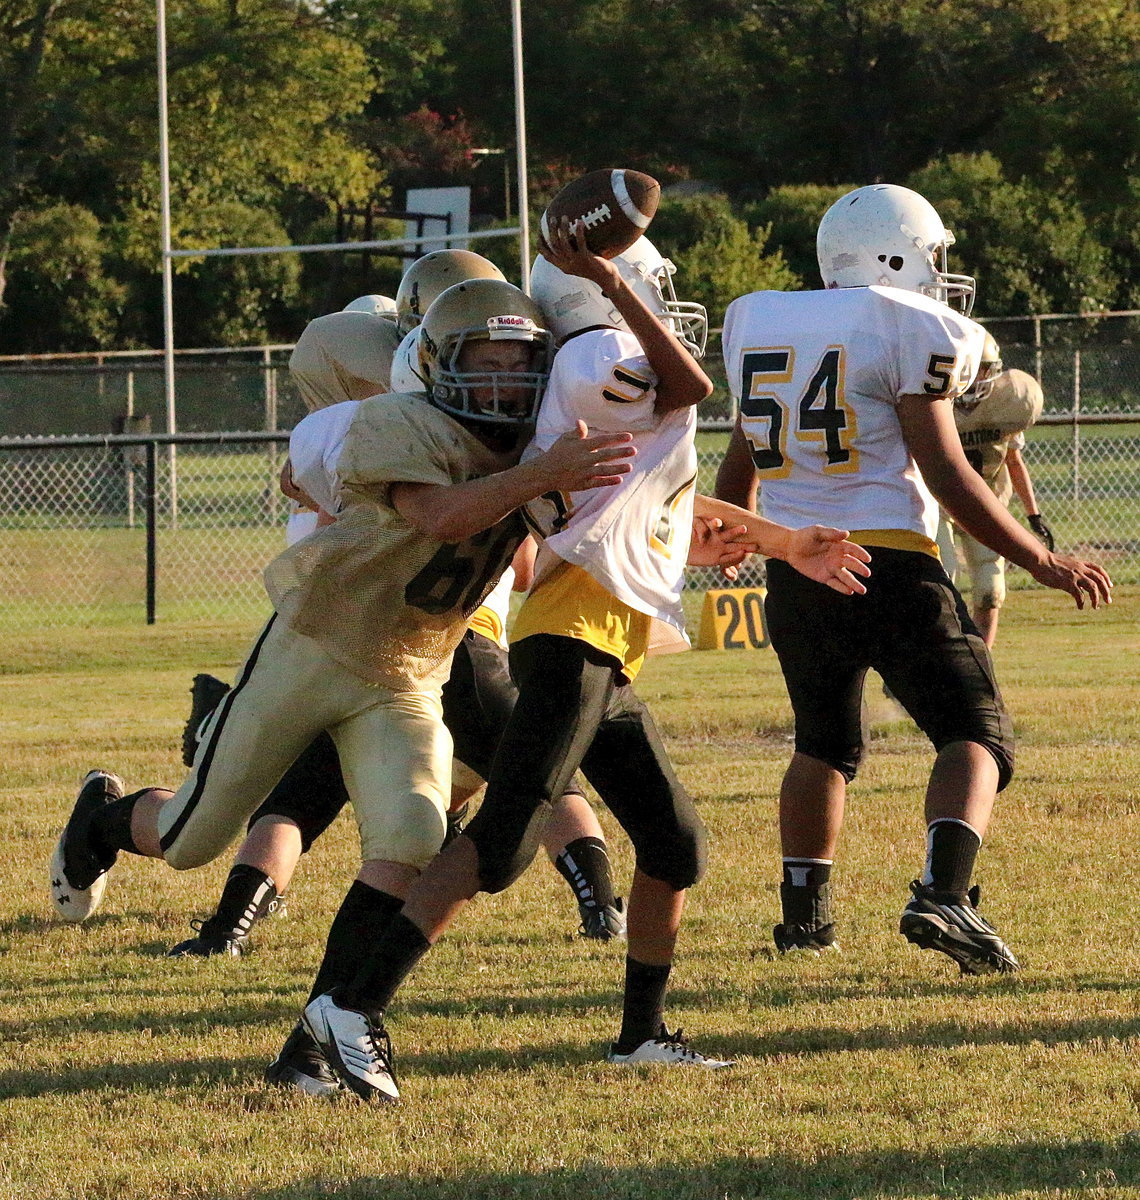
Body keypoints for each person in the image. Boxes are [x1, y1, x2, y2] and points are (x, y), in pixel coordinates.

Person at [298, 216, 873, 1103]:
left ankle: (640, 1036)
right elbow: (687, 384)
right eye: (649, 286)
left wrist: (785, 541)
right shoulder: (597, 358)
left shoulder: (590, 382)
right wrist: (613, 283)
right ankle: (349, 1006)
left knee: (675, 845)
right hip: (572, 640)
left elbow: (658, 508)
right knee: (502, 841)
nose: (663, 304)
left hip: (601, 642)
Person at [48, 279, 640, 1097]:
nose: (503, 380)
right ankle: (103, 819)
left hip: (409, 675)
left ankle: (315, 1038)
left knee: (412, 839)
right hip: (312, 653)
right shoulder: (397, 420)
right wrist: (542, 474)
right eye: (486, 359)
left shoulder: (537, 443)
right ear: (438, 361)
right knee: (190, 838)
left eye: (519, 363)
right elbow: (439, 515)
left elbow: (555, 541)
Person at [715, 183, 1112, 973]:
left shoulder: (761, 319)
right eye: (930, 256)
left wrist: (747, 538)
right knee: (977, 733)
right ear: (894, 257)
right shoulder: (907, 323)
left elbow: (738, 468)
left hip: (798, 566)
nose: (938, 273)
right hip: (889, 560)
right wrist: (1042, 559)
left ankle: (805, 921)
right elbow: (948, 472)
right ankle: (945, 894)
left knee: (823, 744)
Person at [935, 332, 1053, 647]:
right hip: (937, 502)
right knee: (941, 580)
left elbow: (1014, 462)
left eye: (983, 370)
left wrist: (1033, 514)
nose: (976, 379)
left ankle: (982, 659)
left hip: (986, 500)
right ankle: (936, 656)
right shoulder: (934, 404)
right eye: (972, 370)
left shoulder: (1005, 403)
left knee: (991, 590)